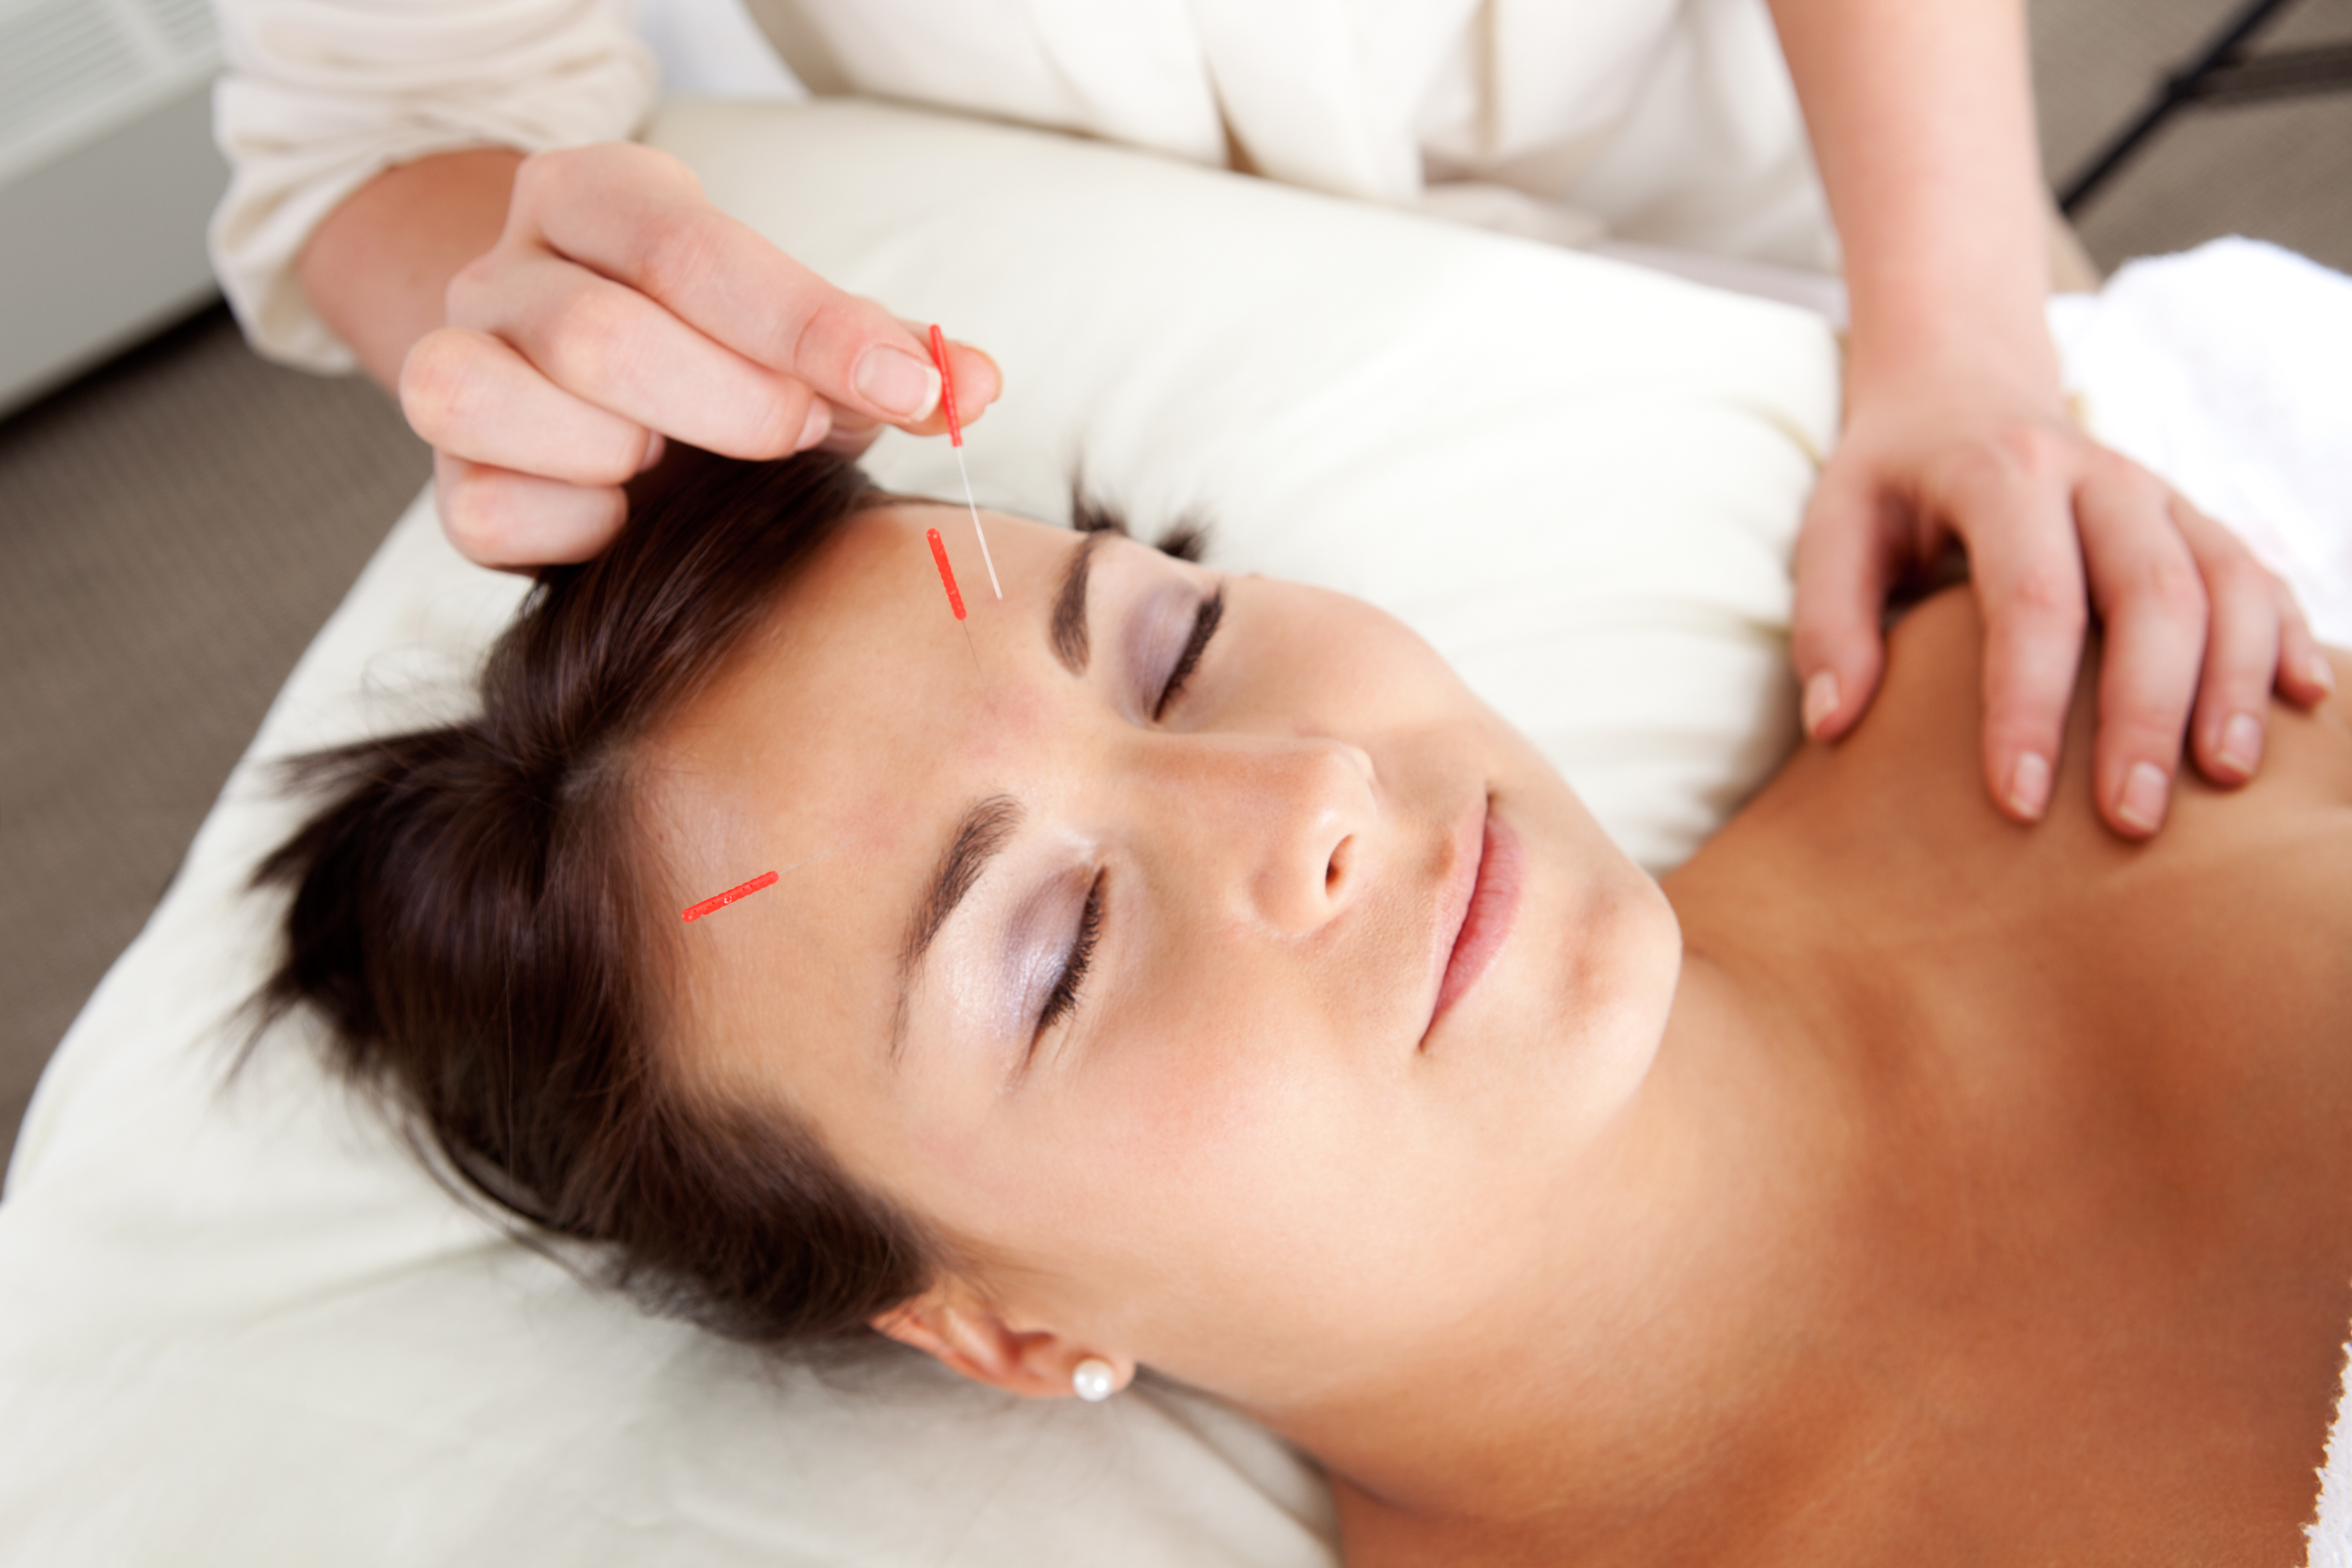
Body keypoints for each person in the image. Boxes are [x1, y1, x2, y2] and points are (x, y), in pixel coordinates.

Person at [260, 443, 2350, 1566]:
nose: (1313, 797)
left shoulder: (2084, 667)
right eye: (1054, 950)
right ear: (1006, 1327)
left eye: (1168, 650)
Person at [208, 0, 2324, 844]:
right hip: (1175, 338)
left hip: (1804, 179)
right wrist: (533, 300)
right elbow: (377, 146)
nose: (1310, 818)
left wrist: (1951, 326)